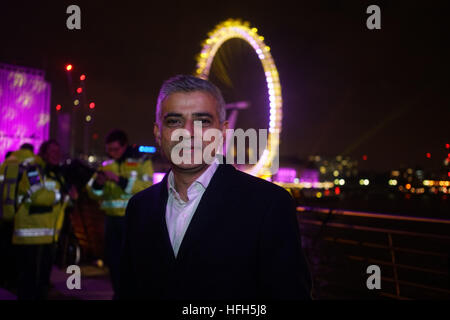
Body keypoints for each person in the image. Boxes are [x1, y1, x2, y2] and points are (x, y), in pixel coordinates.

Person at [119, 75, 312, 300]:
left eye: (203, 122)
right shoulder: (139, 207)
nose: (188, 133)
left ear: (223, 131)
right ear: (157, 133)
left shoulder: (269, 205)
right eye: (174, 121)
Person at [86, 129, 153, 299]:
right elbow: (92, 193)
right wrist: (99, 185)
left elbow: (147, 188)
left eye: (115, 149)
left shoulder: (142, 161)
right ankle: (118, 294)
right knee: (114, 261)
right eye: (109, 150)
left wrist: (118, 180)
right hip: (111, 220)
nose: (111, 153)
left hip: (133, 220)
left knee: (133, 262)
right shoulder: (106, 164)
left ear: (124, 146)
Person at [11, 140, 77, 300]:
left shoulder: (55, 173)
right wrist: (62, 195)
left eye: (58, 151)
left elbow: (61, 202)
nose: (56, 155)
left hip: (48, 237)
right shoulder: (33, 170)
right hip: (30, 237)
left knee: (42, 285)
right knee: (28, 284)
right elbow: (37, 196)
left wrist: (71, 197)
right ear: (43, 153)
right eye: (52, 151)